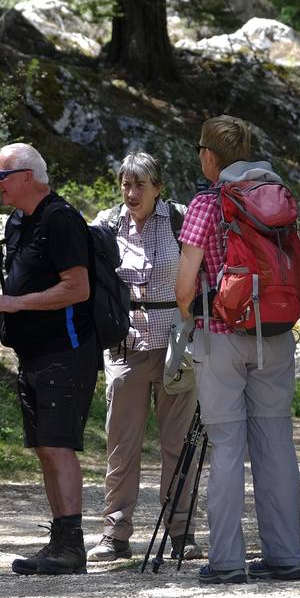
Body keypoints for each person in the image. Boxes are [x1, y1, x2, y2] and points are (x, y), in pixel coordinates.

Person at [174, 116, 300, 584]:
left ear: (209, 156)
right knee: (275, 444)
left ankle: (227, 561)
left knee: (227, 446)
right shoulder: (277, 197)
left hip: (221, 333)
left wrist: (190, 325)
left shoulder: (206, 205)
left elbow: (185, 287)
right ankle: (286, 556)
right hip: (275, 333)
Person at [0, 142, 99, 576]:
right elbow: (21, 286)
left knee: (58, 447)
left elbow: (77, 288)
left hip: (66, 352)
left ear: (27, 176)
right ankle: (60, 542)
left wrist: (15, 305)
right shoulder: (18, 222)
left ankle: (72, 548)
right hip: (34, 354)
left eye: (0, 174)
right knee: (46, 447)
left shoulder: (61, 220)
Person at [85, 152, 202, 563]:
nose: (131, 193)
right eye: (125, 184)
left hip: (177, 345)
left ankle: (181, 531)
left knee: (177, 442)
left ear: (158, 188)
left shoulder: (181, 219)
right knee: (122, 444)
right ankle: (115, 533)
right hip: (124, 345)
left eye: (140, 185)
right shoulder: (106, 224)